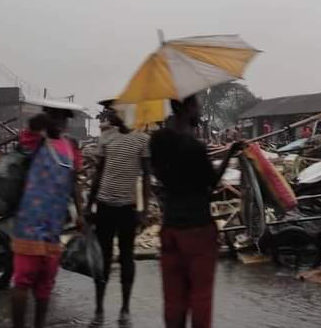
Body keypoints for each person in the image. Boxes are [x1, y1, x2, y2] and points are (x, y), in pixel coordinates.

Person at [150, 96, 243, 328]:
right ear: (186, 108)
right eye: (196, 105)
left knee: (173, 299)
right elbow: (210, 184)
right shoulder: (194, 147)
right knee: (201, 297)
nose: (199, 109)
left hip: (170, 226)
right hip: (198, 229)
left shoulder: (157, 142)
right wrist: (230, 155)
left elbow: (161, 177)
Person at [11, 106, 84, 328]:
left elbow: (74, 182)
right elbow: (30, 130)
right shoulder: (36, 142)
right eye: (56, 117)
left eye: (64, 118)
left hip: (55, 225)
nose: (61, 123)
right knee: (23, 280)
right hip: (30, 223)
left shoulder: (71, 147)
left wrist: (81, 214)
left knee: (46, 284)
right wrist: (42, 120)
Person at [87, 109, 152, 327]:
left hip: (128, 207)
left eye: (114, 112)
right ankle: (98, 309)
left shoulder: (142, 139)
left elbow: (146, 175)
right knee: (102, 260)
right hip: (105, 205)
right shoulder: (106, 137)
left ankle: (125, 309)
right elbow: (98, 173)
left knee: (126, 258)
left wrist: (144, 210)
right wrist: (89, 204)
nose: (110, 116)